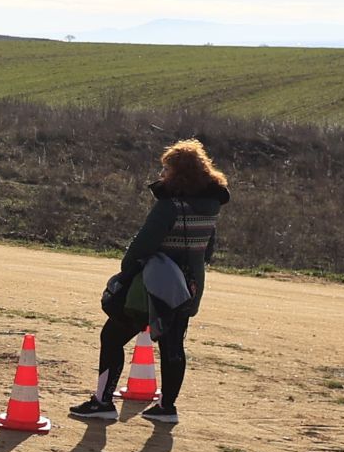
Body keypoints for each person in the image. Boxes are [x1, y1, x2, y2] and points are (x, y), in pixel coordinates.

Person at [70, 139, 231, 425]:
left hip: (153, 289)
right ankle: (167, 408)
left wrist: (126, 273)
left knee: (112, 337)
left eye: (166, 169)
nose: (163, 175)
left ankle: (102, 401)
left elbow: (142, 246)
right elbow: (208, 251)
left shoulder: (169, 207)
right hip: (189, 288)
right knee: (172, 346)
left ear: (178, 173)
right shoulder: (211, 208)